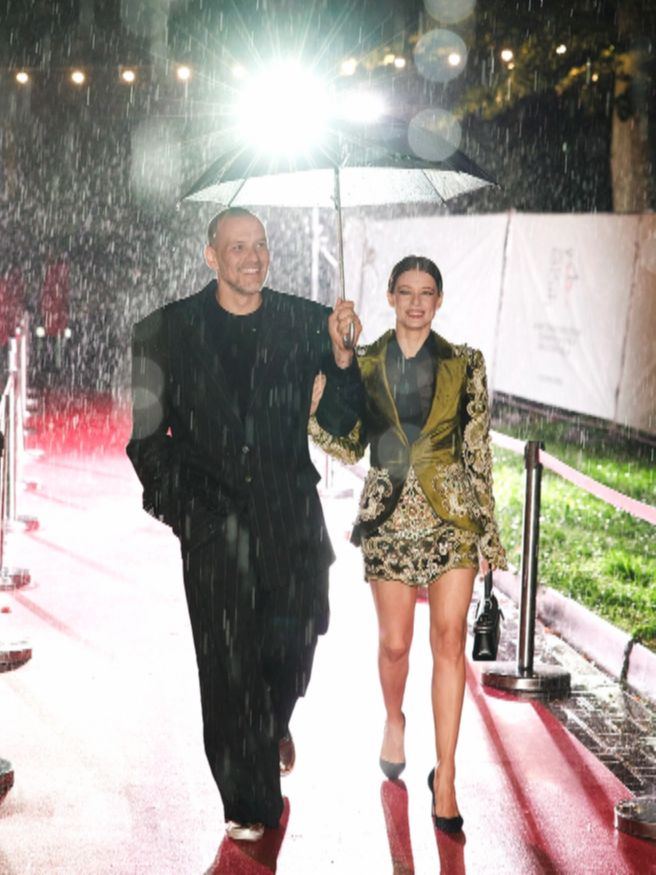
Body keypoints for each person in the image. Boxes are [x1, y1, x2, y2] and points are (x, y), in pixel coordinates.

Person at [126, 207, 363, 842]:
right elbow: (146, 442)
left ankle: (273, 721)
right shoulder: (163, 333)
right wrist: (189, 515)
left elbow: (344, 426)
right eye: (237, 247)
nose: (252, 257)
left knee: (298, 641)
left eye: (260, 245)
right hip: (212, 524)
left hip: (291, 518)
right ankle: (250, 800)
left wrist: (344, 360)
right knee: (228, 665)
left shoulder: (307, 322)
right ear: (211, 256)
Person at [309, 254, 507, 834]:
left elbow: (477, 452)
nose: (416, 302)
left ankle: (446, 778)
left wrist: (488, 533)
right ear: (390, 297)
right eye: (406, 291)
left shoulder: (466, 363)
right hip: (388, 515)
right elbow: (349, 446)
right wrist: (322, 399)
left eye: (426, 293)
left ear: (438, 301)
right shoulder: (365, 361)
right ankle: (394, 719)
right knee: (395, 644)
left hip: (452, 516)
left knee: (449, 642)